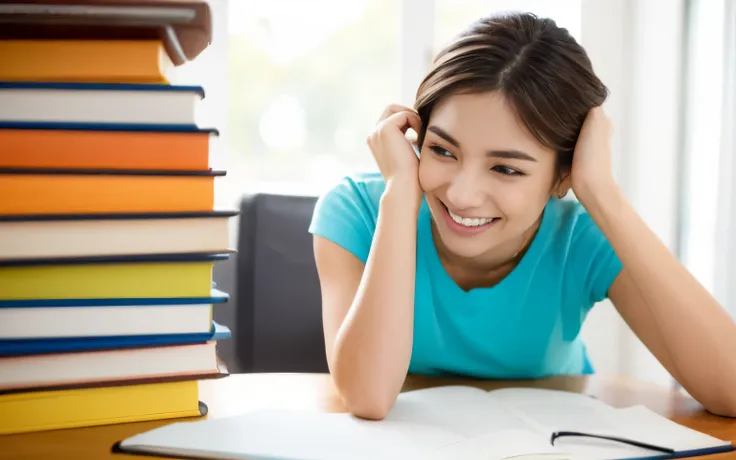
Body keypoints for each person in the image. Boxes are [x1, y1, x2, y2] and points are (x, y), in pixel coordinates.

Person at [308, 11, 736, 420]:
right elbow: (367, 397)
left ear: (562, 176)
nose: (461, 194)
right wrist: (400, 192)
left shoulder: (581, 239)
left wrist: (602, 192)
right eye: (441, 150)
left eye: (506, 168)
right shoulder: (358, 212)